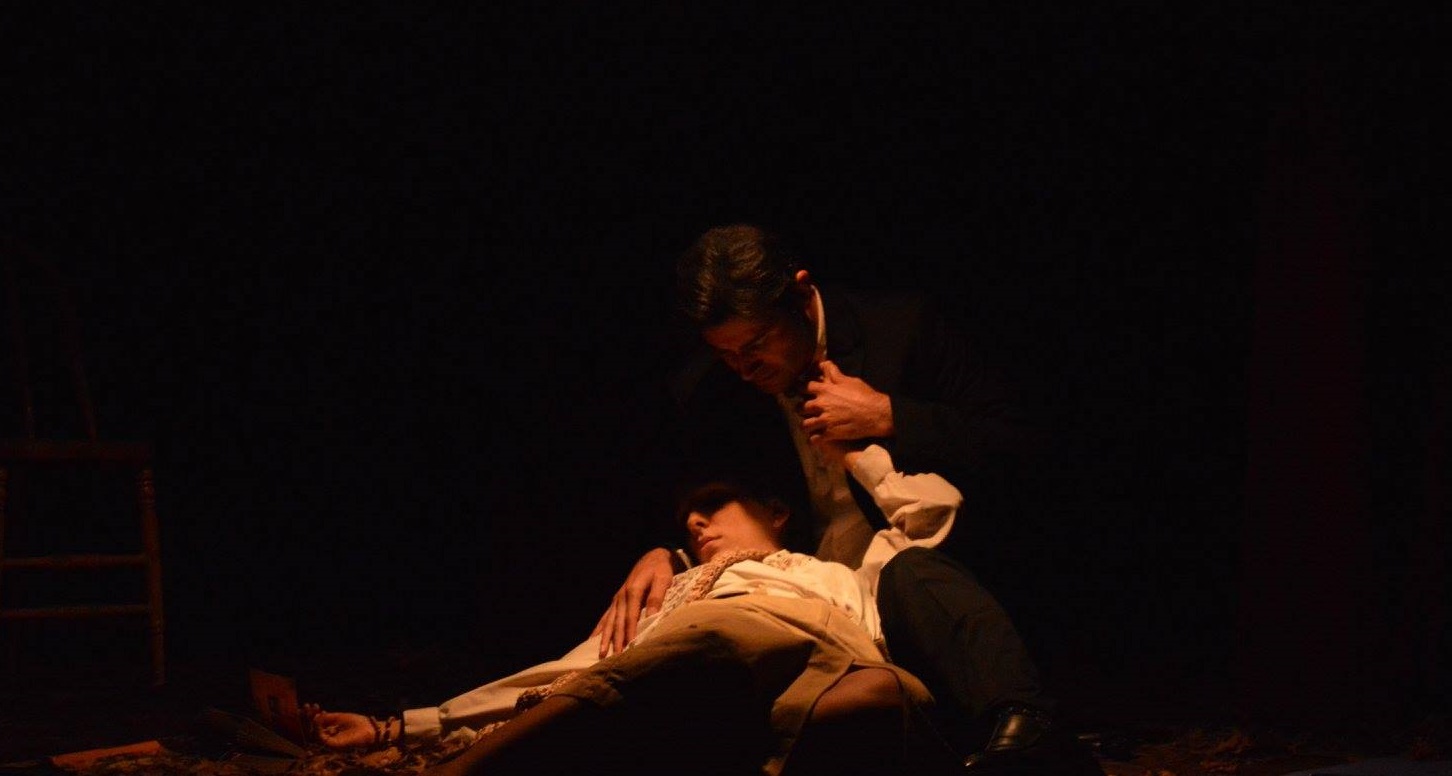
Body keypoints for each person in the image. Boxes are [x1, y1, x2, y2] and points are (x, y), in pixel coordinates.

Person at [595, 223, 1101, 774]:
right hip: (817, 594)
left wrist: (889, 415)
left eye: (756, 344)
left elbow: (1027, 449)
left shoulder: (902, 330)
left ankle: (1031, 733)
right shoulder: (715, 390)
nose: (744, 367)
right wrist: (663, 551)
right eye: (727, 353)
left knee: (910, 574)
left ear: (800, 292)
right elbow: (707, 493)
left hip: (931, 572)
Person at [308, 443, 968, 775]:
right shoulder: (684, 591)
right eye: (686, 519)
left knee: (886, 694)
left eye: (713, 503)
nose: (696, 521)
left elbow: (932, 508)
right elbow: (577, 671)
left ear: (777, 511)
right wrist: (398, 727)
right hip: (715, 662)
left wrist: (852, 450)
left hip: (828, 662)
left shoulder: (843, 568)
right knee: (699, 642)